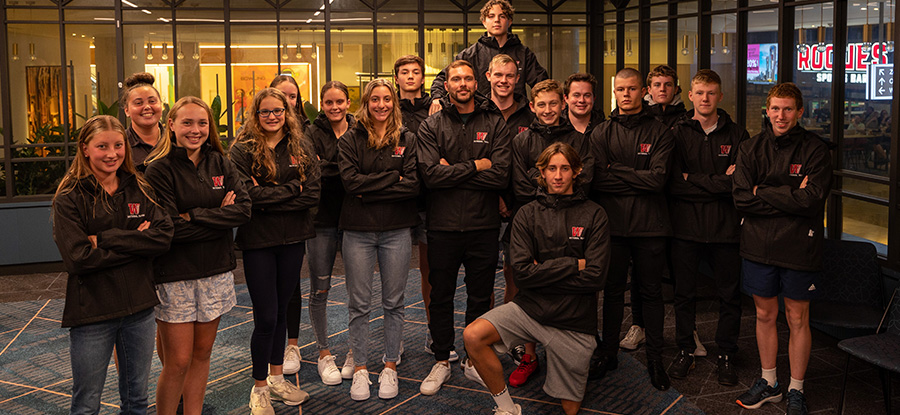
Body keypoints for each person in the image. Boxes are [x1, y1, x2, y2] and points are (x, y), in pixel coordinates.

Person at [463, 142, 609, 415]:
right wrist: (573, 264)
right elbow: (522, 275)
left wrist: (541, 270)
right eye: (551, 168)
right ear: (541, 172)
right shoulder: (527, 214)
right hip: (530, 308)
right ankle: (508, 409)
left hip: (573, 319)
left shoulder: (594, 214)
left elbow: (596, 278)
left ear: (576, 171)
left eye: (565, 168)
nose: (558, 175)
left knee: (570, 409)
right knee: (473, 335)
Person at [52, 115, 173, 415]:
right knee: (87, 403)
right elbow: (79, 258)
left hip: (140, 309)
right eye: (102, 146)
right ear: (85, 148)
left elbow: (163, 237)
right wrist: (136, 244)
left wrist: (105, 239)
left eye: (118, 145)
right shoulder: (69, 197)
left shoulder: (139, 186)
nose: (112, 153)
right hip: (93, 312)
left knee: (137, 401)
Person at [143, 96, 252, 415]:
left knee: (203, 353)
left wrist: (194, 216)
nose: (195, 129)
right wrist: (219, 217)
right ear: (171, 125)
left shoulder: (221, 162)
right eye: (187, 122)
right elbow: (170, 230)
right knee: (177, 361)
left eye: (202, 123)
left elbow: (244, 210)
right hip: (174, 275)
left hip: (215, 271)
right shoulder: (157, 170)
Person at [733, 83, 832, 415]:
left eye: (788, 109)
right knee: (764, 314)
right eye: (775, 108)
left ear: (800, 112)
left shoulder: (816, 150)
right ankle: (770, 381)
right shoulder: (750, 148)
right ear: (767, 110)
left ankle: (796, 388)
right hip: (757, 245)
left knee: (797, 317)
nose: (781, 115)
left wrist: (763, 190)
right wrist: (789, 195)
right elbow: (741, 198)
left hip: (799, 246)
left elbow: (812, 200)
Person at [416, 59, 511, 396]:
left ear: (476, 82)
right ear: (448, 85)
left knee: (479, 295)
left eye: (468, 78)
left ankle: (474, 359)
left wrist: (452, 170)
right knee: (440, 296)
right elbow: (430, 176)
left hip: (483, 226)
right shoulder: (431, 126)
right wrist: (476, 165)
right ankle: (441, 358)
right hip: (441, 226)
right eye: (456, 79)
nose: (462, 84)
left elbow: (501, 174)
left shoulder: (494, 122)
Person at [230, 88, 320, 415]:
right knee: (266, 315)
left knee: (282, 310)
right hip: (258, 241)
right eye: (265, 112)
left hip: (294, 239)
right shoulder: (241, 150)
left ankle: (278, 377)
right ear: (256, 115)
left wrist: (268, 193)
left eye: (278, 111)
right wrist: (289, 189)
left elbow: (311, 194)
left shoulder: (301, 145)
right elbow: (246, 196)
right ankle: (259, 388)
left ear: (287, 113)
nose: (272, 117)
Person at [589, 68, 674, 391]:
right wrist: (636, 176)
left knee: (651, 293)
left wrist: (617, 170)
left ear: (643, 92)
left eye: (632, 89)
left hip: (650, 226)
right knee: (611, 293)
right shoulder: (601, 132)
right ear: (615, 92)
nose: (626, 94)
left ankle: (655, 358)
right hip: (611, 227)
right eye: (620, 89)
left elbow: (657, 180)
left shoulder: (661, 132)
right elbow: (598, 180)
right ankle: (608, 353)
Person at [339, 78, 420, 401]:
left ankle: (389, 366)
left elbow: (412, 184)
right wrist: (391, 179)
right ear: (366, 103)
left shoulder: (407, 138)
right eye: (375, 99)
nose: (381, 105)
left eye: (387, 99)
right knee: (358, 304)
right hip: (357, 232)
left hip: (397, 230)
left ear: (394, 102)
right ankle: (360, 368)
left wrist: (368, 190)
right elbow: (349, 182)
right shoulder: (350, 138)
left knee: (394, 303)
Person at [666, 70, 746, 386]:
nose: (705, 98)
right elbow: (673, 183)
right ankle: (686, 348)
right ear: (690, 95)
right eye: (699, 92)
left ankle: (727, 354)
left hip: (726, 230)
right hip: (685, 228)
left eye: (711, 93)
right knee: (684, 294)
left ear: (720, 96)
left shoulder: (738, 136)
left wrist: (693, 178)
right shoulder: (675, 133)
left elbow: (737, 185)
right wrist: (718, 181)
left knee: (730, 296)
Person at [282, 81, 353, 385]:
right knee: (319, 290)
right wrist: (350, 170)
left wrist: (332, 167)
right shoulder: (311, 132)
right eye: (328, 102)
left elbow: (345, 169)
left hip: (355, 220)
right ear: (321, 104)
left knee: (358, 292)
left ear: (349, 102)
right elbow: (313, 171)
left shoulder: (358, 129)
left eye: (340, 101)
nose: (334, 107)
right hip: (321, 220)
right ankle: (324, 353)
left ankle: (355, 351)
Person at [392, 55, 456, 362]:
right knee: (395, 277)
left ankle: (434, 334)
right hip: (401, 202)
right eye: (404, 72)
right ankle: (396, 338)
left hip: (431, 201)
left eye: (416, 72)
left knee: (432, 273)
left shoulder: (437, 107)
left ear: (422, 77)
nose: (410, 77)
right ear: (397, 78)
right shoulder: (387, 109)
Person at [429, 0, 548, 114]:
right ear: (484, 22)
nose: (496, 20)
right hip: (480, 116)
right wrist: (437, 97)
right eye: (491, 16)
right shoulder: (470, 54)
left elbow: (542, 84)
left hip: (515, 116)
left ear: (509, 21)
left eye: (502, 16)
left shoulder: (523, 53)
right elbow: (443, 78)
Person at [121, 72, 163, 169]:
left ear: (161, 105)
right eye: (138, 103)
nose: (147, 107)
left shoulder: (174, 140)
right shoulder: (121, 144)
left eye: (152, 101)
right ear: (127, 111)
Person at [644, 65, 686, 129]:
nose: (662, 89)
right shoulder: (640, 117)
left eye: (668, 85)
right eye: (657, 85)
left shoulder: (685, 119)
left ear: (675, 89)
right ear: (649, 90)